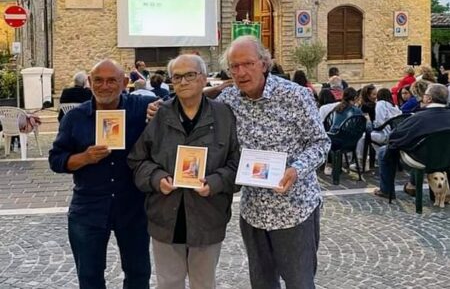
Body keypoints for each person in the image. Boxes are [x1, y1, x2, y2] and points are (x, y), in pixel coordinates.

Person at [147, 37, 330, 288]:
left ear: (264, 64)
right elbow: (197, 98)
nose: (241, 72)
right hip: (253, 210)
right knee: (262, 282)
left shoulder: (295, 96)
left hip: (294, 208)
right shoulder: (229, 100)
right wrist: (164, 106)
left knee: (299, 282)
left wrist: (295, 170)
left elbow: (321, 143)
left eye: (248, 64)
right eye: (234, 66)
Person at [128, 54, 240, 289]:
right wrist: (158, 179)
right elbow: (137, 160)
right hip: (166, 217)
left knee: (203, 284)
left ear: (202, 79)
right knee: (169, 283)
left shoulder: (224, 116)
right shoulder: (159, 115)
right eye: (177, 77)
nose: (183, 82)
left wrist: (215, 182)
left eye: (190, 75)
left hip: (208, 216)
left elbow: (236, 164)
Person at [49, 59, 156, 289]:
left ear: (125, 82)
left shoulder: (140, 108)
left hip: (133, 206)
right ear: (89, 82)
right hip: (89, 207)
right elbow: (56, 160)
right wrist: (84, 158)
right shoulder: (75, 118)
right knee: (89, 276)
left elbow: (179, 103)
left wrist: (160, 109)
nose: (104, 86)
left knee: (139, 274)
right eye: (98, 80)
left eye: (112, 80)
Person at [374, 83, 450, 199]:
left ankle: (386, 190)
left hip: (422, 160)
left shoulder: (418, 118)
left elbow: (395, 137)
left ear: (428, 98)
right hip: (447, 159)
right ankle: (412, 185)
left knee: (384, 151)